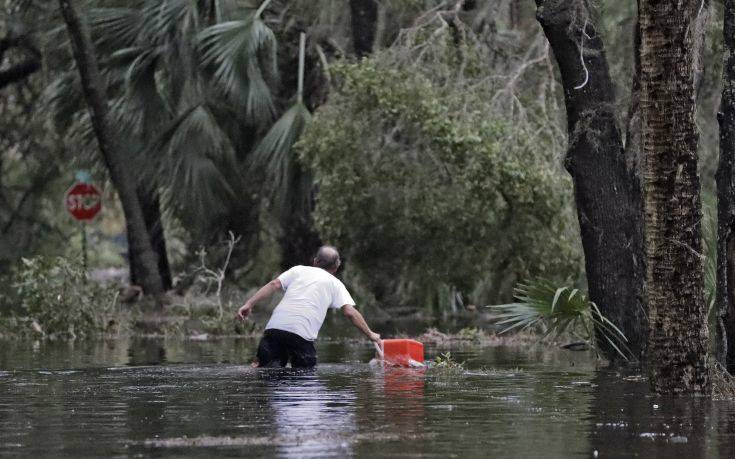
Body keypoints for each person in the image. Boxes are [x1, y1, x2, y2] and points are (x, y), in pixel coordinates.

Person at [236, 245, 383, 368]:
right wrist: (371, 334)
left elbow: (274, 284)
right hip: (301, 336)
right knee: (305, 381)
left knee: (266, 373)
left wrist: (248, 304)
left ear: (315, 261)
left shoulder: (298, 270)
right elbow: (350, 312)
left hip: (274, 329)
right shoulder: (335, 284)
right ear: (337, 266)